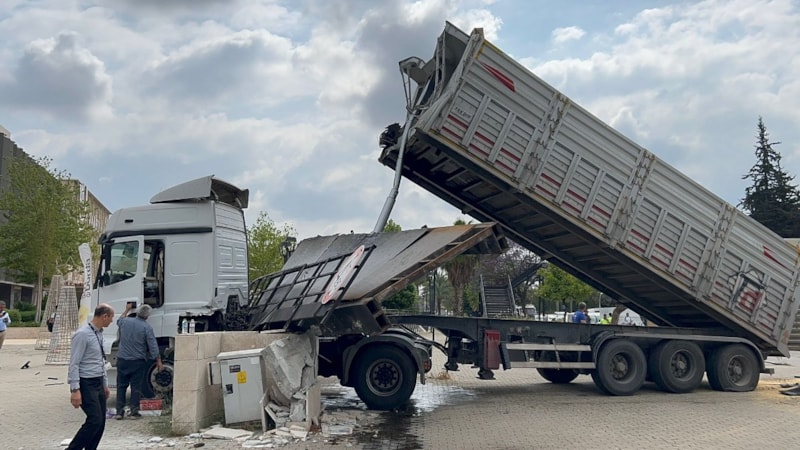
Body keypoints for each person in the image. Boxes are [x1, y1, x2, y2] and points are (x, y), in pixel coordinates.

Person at [67, 303, 115, 450]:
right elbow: (74, 363)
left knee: (101, 422)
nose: (112, 321)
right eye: (111, 317)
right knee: (94, 420)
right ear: (104, 316)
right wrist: (75, 389)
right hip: (86, 382)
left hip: (98, 380)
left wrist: (105, 384)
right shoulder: (82, 334)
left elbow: (101, 361)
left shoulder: (99, 334)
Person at [115, 303, 162, 420]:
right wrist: (158, 360)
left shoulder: (125, 322)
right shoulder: (146, 328)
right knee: (136, 387)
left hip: (122, 360)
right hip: (137, 362)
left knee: (121, 386)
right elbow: (153, 346)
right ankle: (133, 412)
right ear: (147, 316)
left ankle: (119, 412)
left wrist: (127, 309)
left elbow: (118, 320)